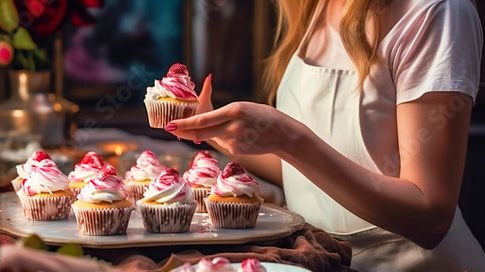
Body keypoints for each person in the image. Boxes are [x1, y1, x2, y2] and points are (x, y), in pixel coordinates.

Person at [166, 0, 485, 270]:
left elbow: (431, 219)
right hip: (325, 259)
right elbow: (305, 176)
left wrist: (289, 138)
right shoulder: (315, 6)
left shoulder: (438, 11)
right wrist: (211, 131)